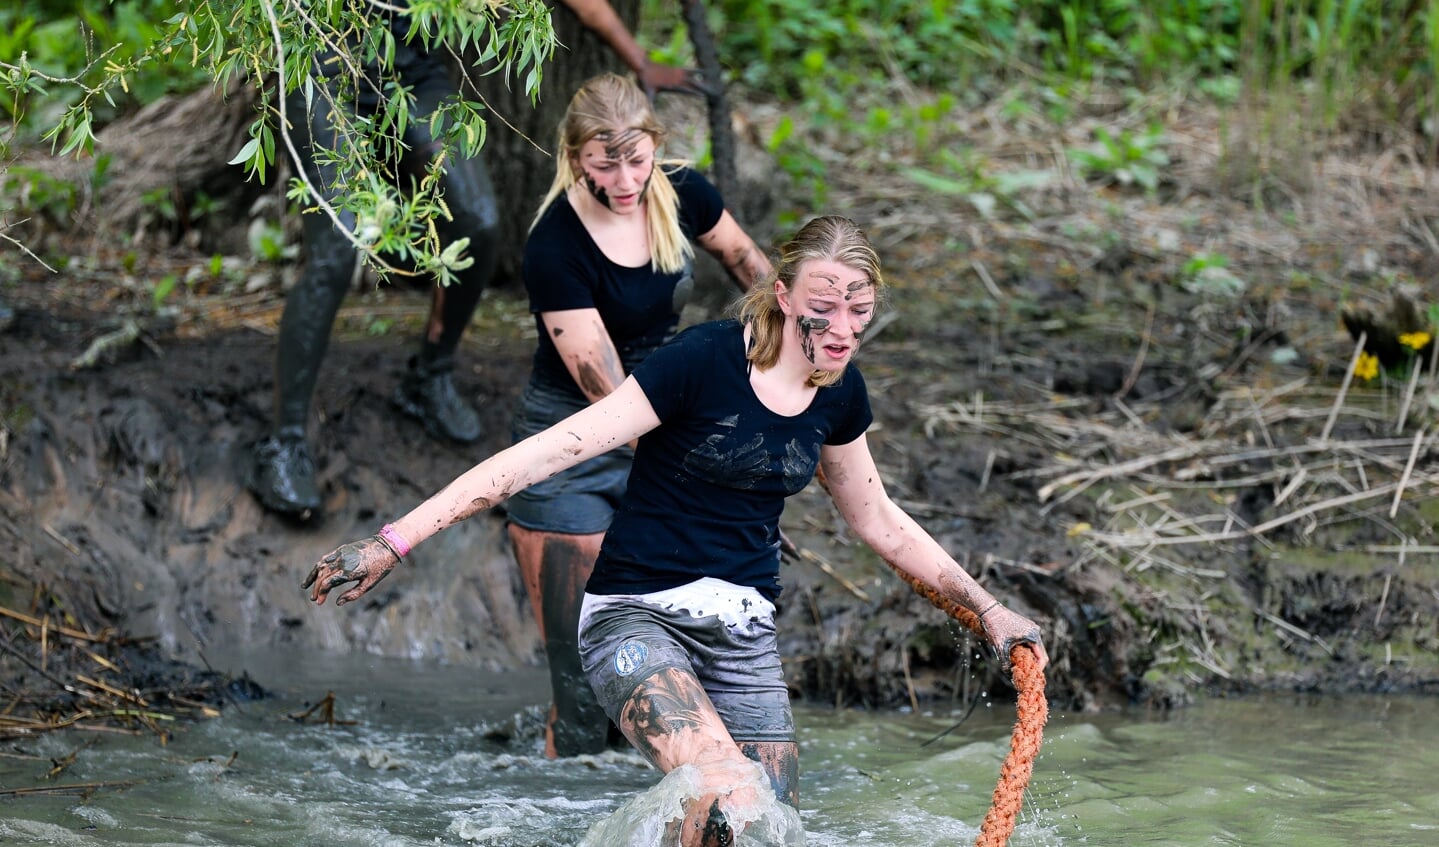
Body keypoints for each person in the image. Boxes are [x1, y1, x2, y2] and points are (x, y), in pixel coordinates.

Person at [303, 215, 1049, 845]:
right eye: (827, 306)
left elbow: (879, 520)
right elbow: (543, 452)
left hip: (744, 634)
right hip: (634, 616)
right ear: (783, 296)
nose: (845, 328)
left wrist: (988, 609)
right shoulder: (701, 360)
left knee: (770, 828)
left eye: (861, 309)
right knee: (728, 792)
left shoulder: (839, 392)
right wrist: (395, 539)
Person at [245, 0, 707, 520]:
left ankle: (428, 376)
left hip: (410, 68)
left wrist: (637, 58)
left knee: (478, 221)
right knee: (337, 247)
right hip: (321, 65)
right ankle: (282, 443)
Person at [510, 72, 772, 758]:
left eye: (637, 158)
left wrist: (795, 345)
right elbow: (606, 391)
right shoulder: (554, 244)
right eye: (606, 162)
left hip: (664, 427)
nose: (626, 177)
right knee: (580, 702)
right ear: (575, 158)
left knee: (667, 682)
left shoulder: (683, 189)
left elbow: (748, 263)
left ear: (655, 145)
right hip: (571, 448)